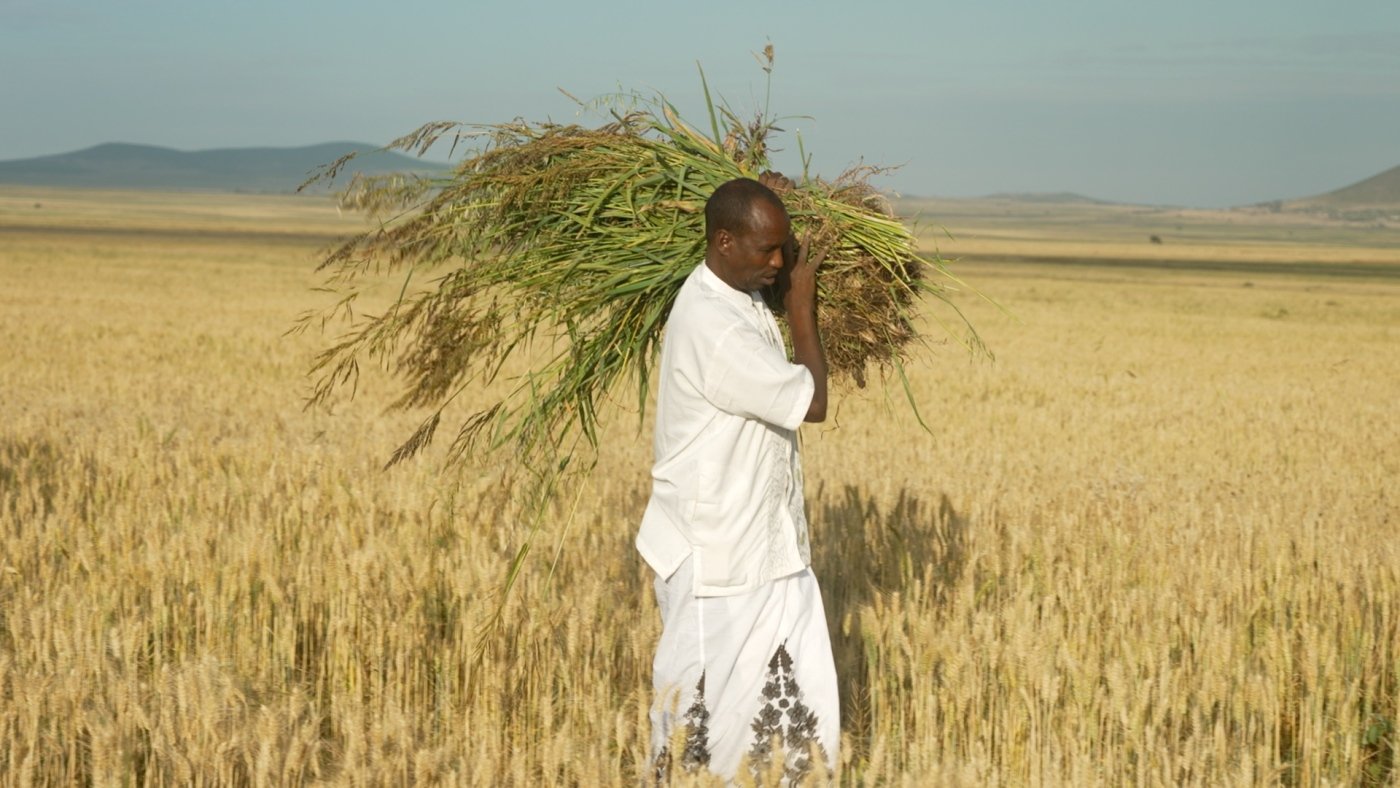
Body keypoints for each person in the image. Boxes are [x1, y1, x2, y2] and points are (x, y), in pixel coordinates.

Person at [638, 175, 839, 783]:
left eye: (784, 250)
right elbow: (813, 402)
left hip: (769, 547)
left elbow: (751, 218)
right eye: (767, 252)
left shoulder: (734, 292)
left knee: (800, 706)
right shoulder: (713, 327)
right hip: (719, 555)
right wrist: (802, 304)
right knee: (707, 729)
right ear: (723, 242)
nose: (779, 264)